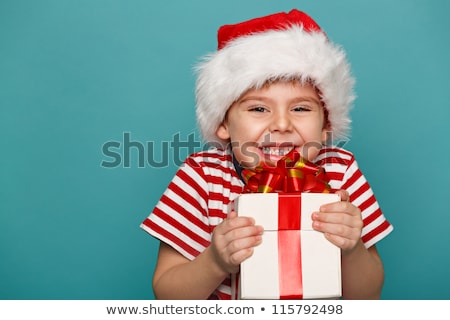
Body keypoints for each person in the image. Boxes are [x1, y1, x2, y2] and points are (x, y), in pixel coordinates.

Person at [140, 9, 393, 300]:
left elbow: (368, 296)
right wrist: (216, 262)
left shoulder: (340, 171)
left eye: (300, 108)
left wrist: (352, 248)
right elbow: (167, 294)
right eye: (259, 109)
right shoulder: (203, 176)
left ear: (327, 125)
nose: (282, 124)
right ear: (222, 123)